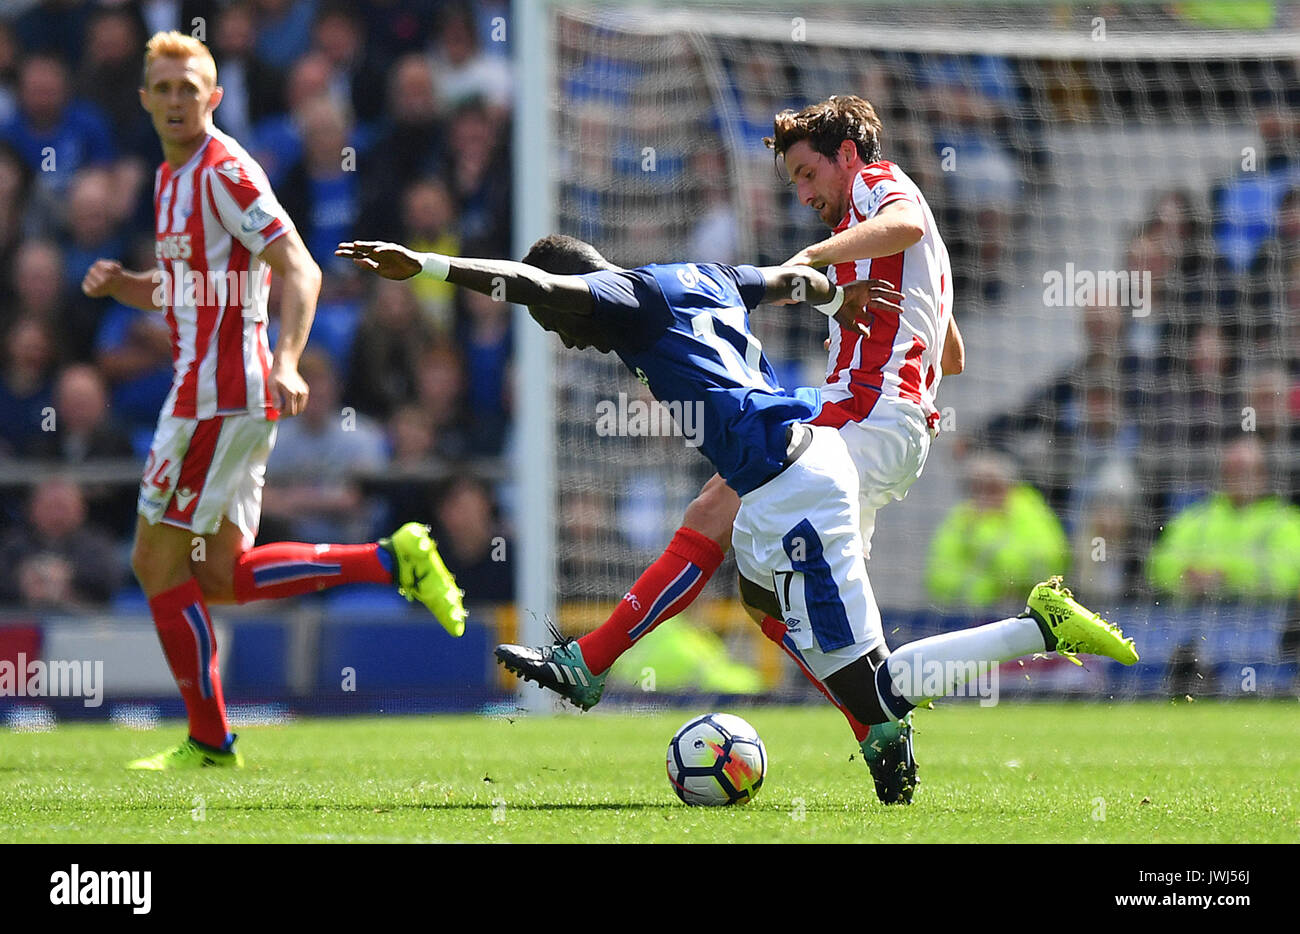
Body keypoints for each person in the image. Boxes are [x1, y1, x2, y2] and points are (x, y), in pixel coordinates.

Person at [336, 234, 1139, 802]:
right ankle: (598, 664)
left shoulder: (618, 297)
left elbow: (538, 287)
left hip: (799, 483)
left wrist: (431, 266)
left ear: (586, 303)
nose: (562, 338)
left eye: (560, 330)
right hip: (784, 459)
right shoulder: (699, 274)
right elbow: (785, 282)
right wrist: (838, 293)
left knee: (885, 686)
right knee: (754, 592)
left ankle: (1034, 630)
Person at [476, 94, 966, 805]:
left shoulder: (877, 186)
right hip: (888, 427)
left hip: (866, 415)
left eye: (806, 175)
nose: (804, 195)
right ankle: (876, 727)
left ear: (846, 155)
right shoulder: (906, 246)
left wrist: (814, 263)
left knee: (721, 501)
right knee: (767, 604)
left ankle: (591, 660)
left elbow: (906, 221)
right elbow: (951, 352)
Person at [78, 32, 464, 771]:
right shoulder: (168, 179)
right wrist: (125, 286)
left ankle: (209, 738)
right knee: (220, 574)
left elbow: (301, 267)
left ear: (214, 97)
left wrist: (288, 360)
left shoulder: (225, 170)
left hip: (220, 399)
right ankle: (392, 561)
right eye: (161, 88)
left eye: (189, 88)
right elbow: (193, 290)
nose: (175, 100)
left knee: (155, 563)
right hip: (198, 397)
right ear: (144, 99)